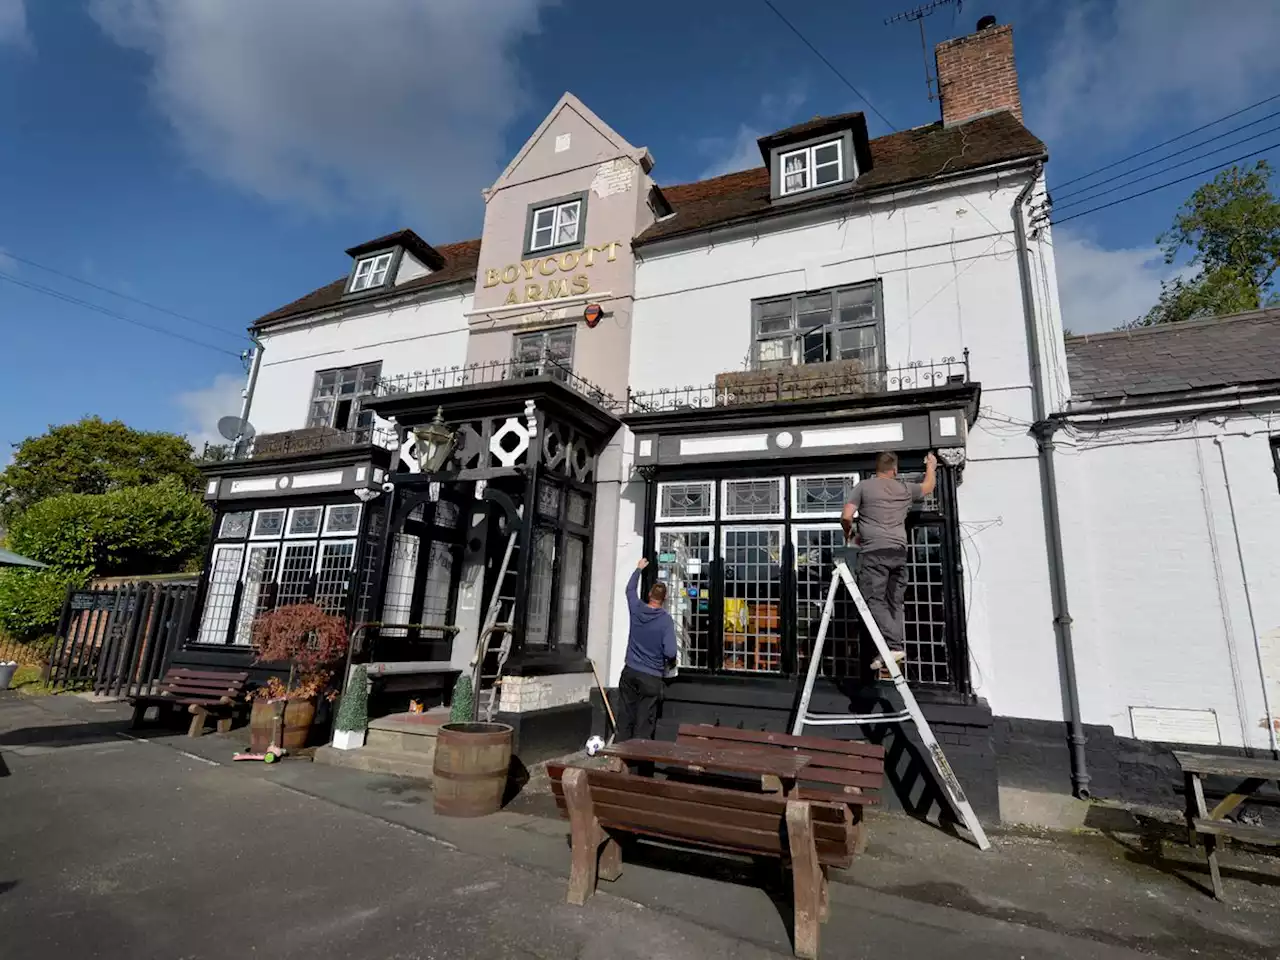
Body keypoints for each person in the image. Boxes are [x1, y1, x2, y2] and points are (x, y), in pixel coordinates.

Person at [841, 451, 937, 673]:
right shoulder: (904, 488)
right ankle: (891, 649)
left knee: (874, 601)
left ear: (877, 469)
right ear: (894, 470)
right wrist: (931, 465)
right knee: (894, 603)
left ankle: (892, 646)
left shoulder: (864, 487)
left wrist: (849, 534)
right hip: (898, 553)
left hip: (874, 552)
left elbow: (846, 516)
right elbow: (928, 487)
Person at [615, 557, 677, 741]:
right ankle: (637, 765)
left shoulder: (637, 608)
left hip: (630, 672)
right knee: (644, 724)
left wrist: (638, 569)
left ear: (650, 594)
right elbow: (671, 652)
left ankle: (620, 759)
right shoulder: (665, 620)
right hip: (651, 677)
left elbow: (629, 590)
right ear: (664, 599)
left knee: (625, 717)